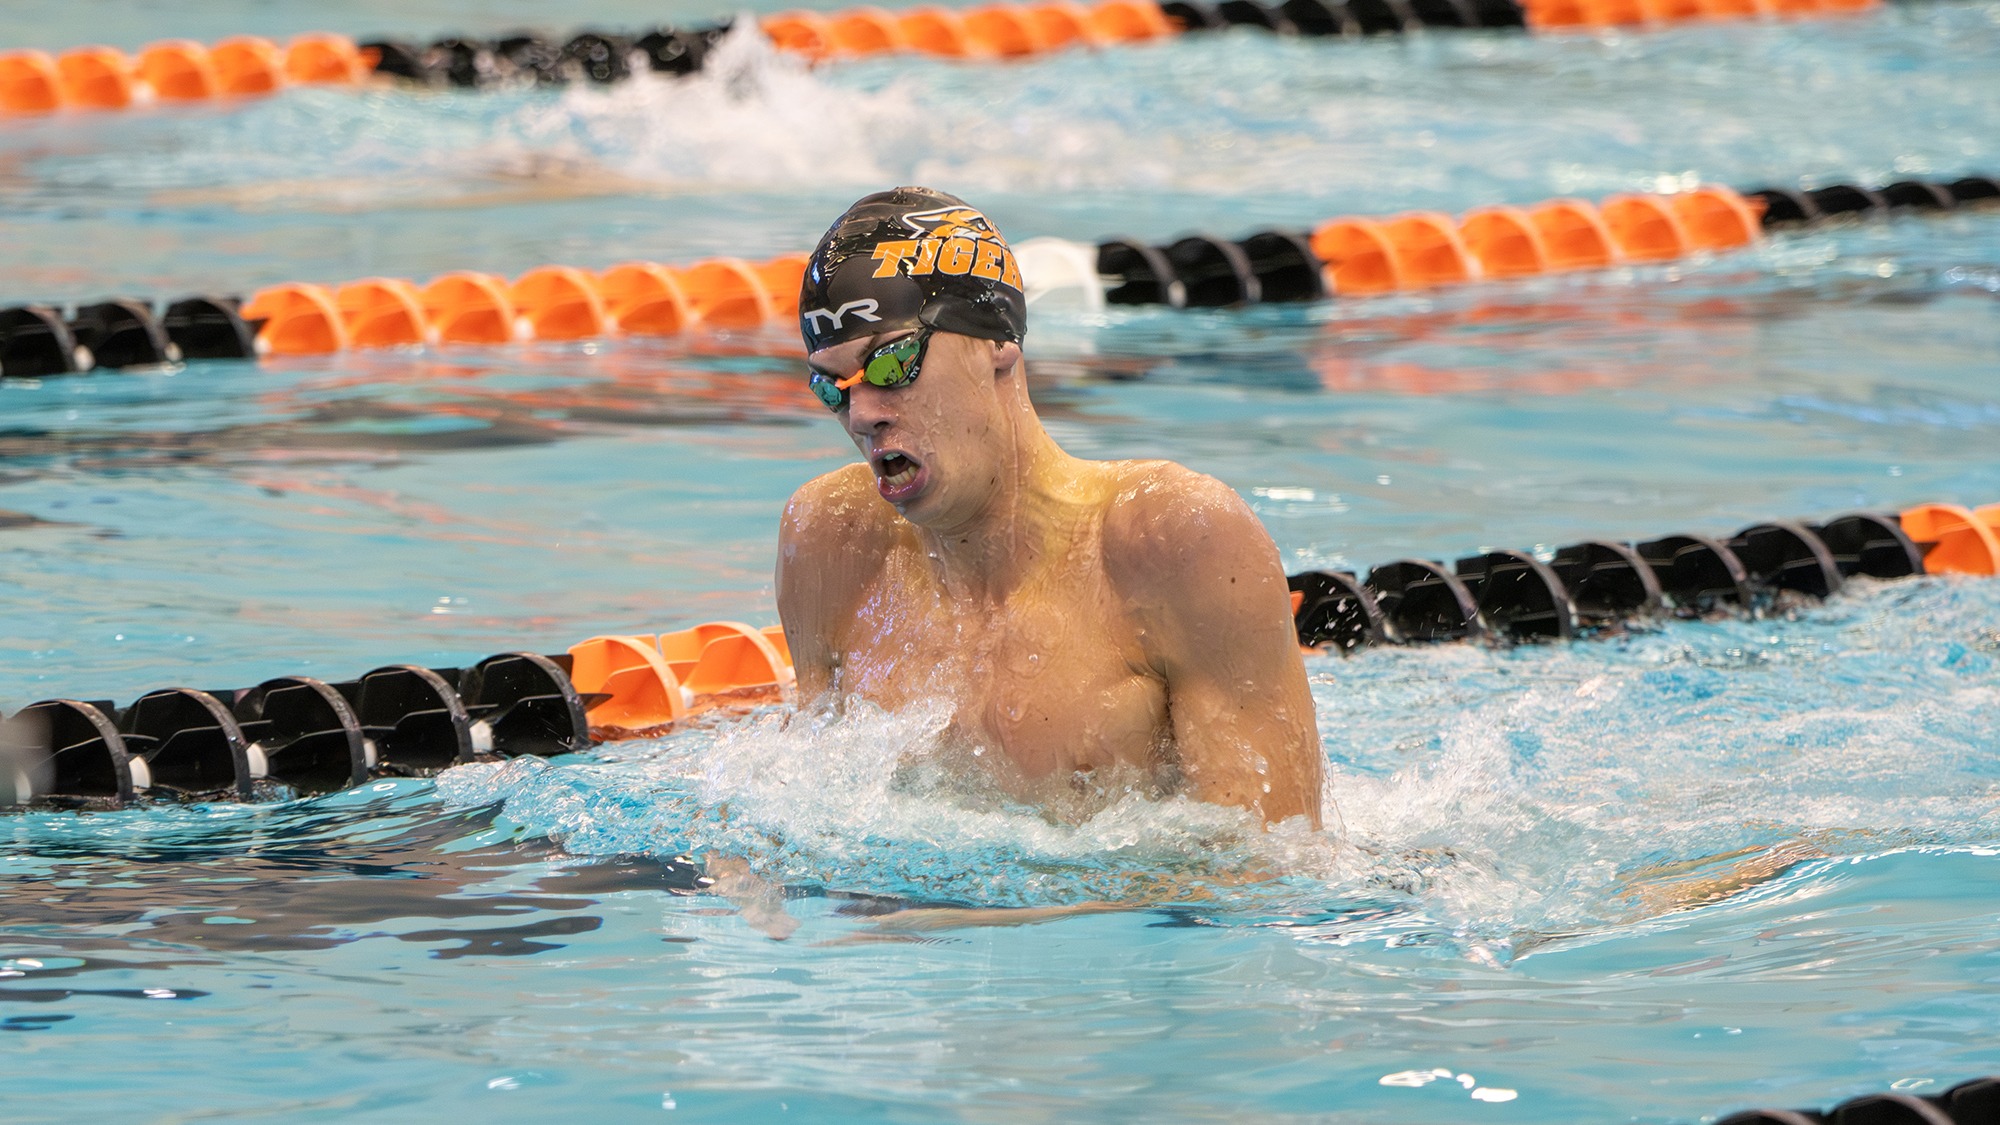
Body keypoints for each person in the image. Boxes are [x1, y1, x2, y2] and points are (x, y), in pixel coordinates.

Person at [775, 187, 1325, 829]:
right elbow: (807, 818)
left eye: (893, 362)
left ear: (996, 343)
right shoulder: (831, 540)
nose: (862, 414)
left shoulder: (1172, 540)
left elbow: (1268, 862)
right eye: (831, 387)